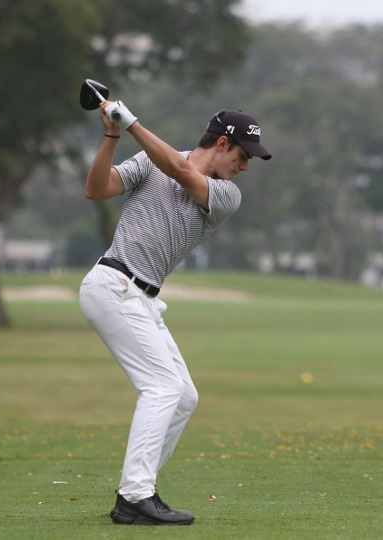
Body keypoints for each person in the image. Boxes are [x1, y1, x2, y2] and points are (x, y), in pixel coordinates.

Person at [78, 97, 271, 526]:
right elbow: (97, 189)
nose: (245, 167)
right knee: (163, 388)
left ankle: (138, 489)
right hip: (113, 284)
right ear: (222, 143)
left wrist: (129, 123)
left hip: (142, 298)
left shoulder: (226, 195)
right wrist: (112, 137)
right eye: (242, 156)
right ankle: (135, 496)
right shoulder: (151, 159)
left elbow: (181, 172)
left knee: (183, 396)